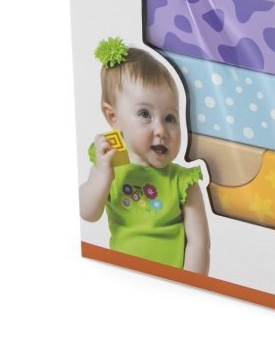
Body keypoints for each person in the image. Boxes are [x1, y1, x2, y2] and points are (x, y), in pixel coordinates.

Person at [79, 37, 210, 274]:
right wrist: (102, 174)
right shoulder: (110, 165)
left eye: (170, 118)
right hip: (122, 279)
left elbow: (199, 243)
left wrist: (189, 286)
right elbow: (87, 212)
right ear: (113, 117)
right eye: (144, 114)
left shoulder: (183, 182)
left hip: (171, 282)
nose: (161, 130)